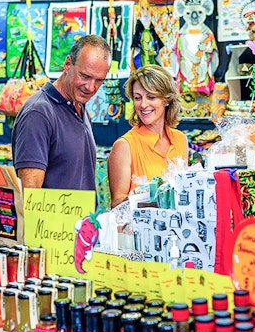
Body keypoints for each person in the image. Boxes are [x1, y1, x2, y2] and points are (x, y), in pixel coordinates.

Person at [12, 35, 111, 190]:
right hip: (52, 214)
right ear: (67, 64)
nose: (91, 87)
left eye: (99, 80)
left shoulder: (79, 106)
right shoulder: (38, 113)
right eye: (85, 76)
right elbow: (30, 194)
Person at [108, 64, 188, 208]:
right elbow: (117, 205)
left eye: (151, 97)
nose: (143, 105)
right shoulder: (124, 146)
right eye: (138, 98)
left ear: (167, 100)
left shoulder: (180, 139)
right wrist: (149, 199)